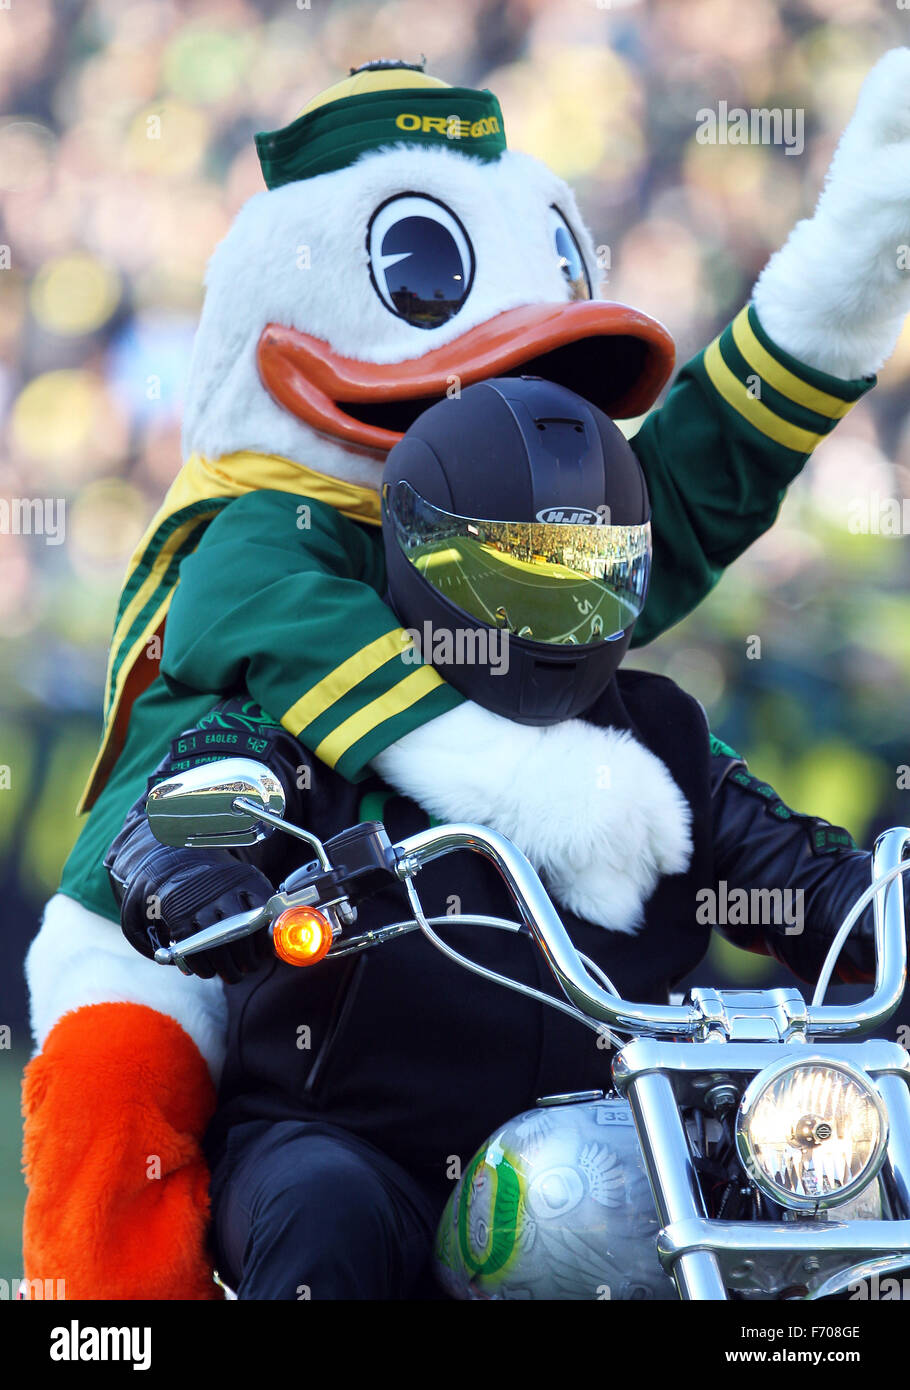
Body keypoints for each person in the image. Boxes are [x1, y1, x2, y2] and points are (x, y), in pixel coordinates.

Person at [106, 379, 884, 1300]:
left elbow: (811, 877)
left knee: (822, 1219)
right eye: (523, 569)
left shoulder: (663, 738)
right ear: (423, 555)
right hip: (354, 1148)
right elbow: (179, 806)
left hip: (621, 1153)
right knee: (325, 1215)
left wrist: (872, 904)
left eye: (589, 569)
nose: (561, 601)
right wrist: (189, 870)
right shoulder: (324, 709)